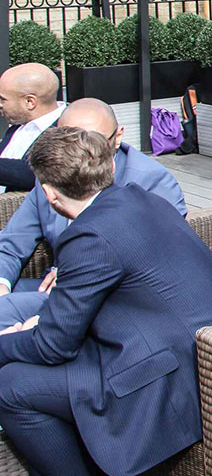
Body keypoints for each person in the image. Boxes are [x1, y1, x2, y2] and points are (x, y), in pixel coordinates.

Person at [0, 126, 212, 476]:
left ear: (50, 194)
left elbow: (53, 345)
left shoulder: (89, 236)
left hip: (171, 379)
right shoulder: (139, 198)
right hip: (200, 355)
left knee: (11, 386)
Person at [0, 98, 186, 327]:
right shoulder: (53, 173)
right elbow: (12, 242)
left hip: (116, 298)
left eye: (94, 142)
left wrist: (81, 271)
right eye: (69, 143)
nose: (81, 154)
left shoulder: (151, 180)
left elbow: (161, 256)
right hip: (55, 287)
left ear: (118, 137)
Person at [0, 62, 62, 192]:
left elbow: (36, 172)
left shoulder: (64, 129)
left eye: (3, 99)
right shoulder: (17, 125)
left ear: (29, 101)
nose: (0, 105)